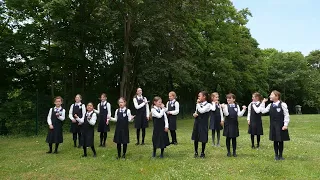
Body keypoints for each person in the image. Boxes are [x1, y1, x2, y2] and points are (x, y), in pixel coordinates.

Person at [261, 90, 290, 160]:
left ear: (277, 96)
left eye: (271, 95)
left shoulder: (283, 104)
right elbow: (262, 111)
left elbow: (286, 115)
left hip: (281, 125)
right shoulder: (270, 105)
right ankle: (276, 155)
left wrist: (285, 125)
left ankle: (281, 155)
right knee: (275, 140)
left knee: (280, 140)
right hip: (273, 126)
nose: (270, 96)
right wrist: (263, 103)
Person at [192, 91, 211, 158]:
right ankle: (196, 152)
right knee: (196, 137)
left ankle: (202, 152)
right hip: (197, 122)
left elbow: (202, 111)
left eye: (199, 96)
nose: (198, 97)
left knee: (203, 137)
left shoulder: (208, 105)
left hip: (203, 123)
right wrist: (194, 114)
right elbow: (196, 111)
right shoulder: (199, 104)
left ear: (204, 97)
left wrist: (197, 104)